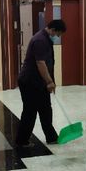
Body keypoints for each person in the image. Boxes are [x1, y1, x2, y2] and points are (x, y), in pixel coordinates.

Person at [16, 19, 67, 148]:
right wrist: (49, 82)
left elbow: (48, 62)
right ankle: (22, 141)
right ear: (53, 29)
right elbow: (41, 63)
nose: (57, 37)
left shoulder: (45, 38)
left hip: (39, 82)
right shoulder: (40, 40)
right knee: (30, 111)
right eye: (58, 34)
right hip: (30, 82)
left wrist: (50, 82)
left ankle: (51, 137)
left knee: (45, 109)